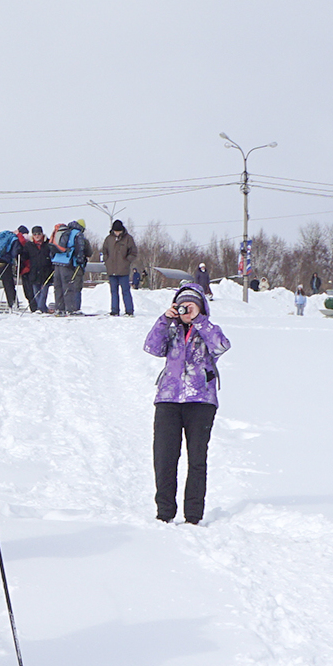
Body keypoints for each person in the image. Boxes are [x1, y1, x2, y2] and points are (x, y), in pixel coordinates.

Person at [144, 284, 230, 525]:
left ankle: (193, 515)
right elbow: (151, 347)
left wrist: (199, 320)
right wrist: (165, 319)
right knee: (164, 457)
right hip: (168, 399)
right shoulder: (170, 329)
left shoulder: (208, 329)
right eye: (182, 304)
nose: (186, 309)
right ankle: (164, 512)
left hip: (201, 400)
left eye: (191, 304)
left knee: (197, 459)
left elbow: (221, 345)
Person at [50, 220, 88, 315]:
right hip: (68, 262)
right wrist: (80, 261)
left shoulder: (64, 231)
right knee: (68, 286)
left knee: (58, 286)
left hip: (57, 261)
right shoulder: (77, 234)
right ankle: (71, 309)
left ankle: (59, 308)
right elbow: (80, 249)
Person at [101, 220, 138, 317]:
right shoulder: (108, 239)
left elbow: (133, 252)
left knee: (125, 291)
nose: (117, 233)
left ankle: (129, 311)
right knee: (113, 292)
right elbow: (104, 251)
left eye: (118, 231)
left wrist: (126, 261)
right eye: (115, 231)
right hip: (111, 270)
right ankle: (114, 310)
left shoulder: (128, 239)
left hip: (123, 270)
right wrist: (106, 260)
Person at [24, 225, 54, 312]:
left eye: (39, 234)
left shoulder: (48, 243)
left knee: (43, 293)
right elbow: (24, 256)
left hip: (46, 272)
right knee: (36, 293)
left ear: (42, 234)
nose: (37, 236)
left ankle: (41, 308)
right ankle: (42, 309)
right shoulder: (29, 245)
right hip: (34, 273)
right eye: (35, 234)